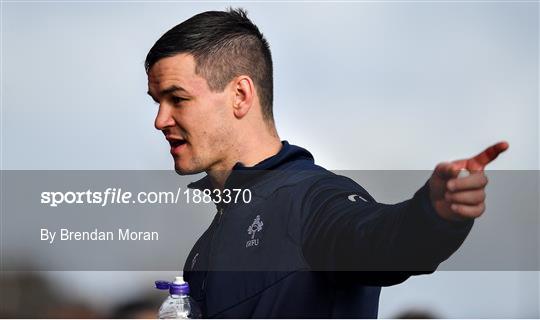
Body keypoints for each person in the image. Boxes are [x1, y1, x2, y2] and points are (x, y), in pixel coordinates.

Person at [145, 8, 508, 318]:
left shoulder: (314, 200)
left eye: (177, 98)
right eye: (157, 101)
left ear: (240, 95)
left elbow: (384, 240)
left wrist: (433, 215)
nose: (160, 120)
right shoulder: (203, 251)